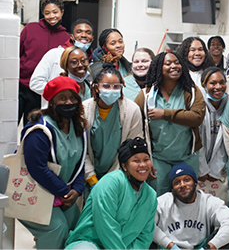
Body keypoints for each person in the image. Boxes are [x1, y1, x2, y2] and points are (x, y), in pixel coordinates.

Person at [20, 76, 87, 249]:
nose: (69, 102)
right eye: (62, 98)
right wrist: (65, 191)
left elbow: (80, 161)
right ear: (52, 102)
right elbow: (37, 169)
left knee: (77, 223)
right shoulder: (40, 129)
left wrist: (77, 190)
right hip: (37, 190)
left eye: (73, 98)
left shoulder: (77, 126)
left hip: (62, 192)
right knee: (57, 228)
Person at [65, 137, 157, 249]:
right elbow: (106, 225)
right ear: (124, 166)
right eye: (136, 160)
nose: (143, 165)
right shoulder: (111, 182)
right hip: (89, 243)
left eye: (146, 159)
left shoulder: (151, 196)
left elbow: (144, 237)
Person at [134, 52, 205, 196]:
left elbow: (197, 117)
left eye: (177, 62)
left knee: (186, 198)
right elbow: (135, 124)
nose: (174, 66)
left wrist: (165, 114)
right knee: (158, 200)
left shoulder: (191, 91)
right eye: (168, 63)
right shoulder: (146, 95)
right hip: (159, 159)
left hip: (187, 157)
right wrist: (146, 159)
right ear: (158, 68)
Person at [83, 63, 143, 189]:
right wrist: (92, 179)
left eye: (116, 87)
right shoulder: (84, 110)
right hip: (87, 175)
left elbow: (131, 148)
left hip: (119, 173)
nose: (111, 90)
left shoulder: (132, 110)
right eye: (106, 86)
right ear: (96, 87)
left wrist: (112, 178)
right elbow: (81, 150)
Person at [153, 163, 229, 249]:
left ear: (195, 182)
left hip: (200, 247)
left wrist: (210, 247)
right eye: (177, 182)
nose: (183, 185)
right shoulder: (162, 202)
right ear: (172, 188)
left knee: (225, 237)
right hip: (170, 247)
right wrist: (170, 245)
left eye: (187, 180)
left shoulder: (208, 201)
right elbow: (147, 225)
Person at [19, 0, 70, 125]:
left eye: (55, 12)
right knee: (9, 126)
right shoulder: (30, 29)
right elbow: (17, 53)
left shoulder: (66, 37)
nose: (51, 16)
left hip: (42, 92)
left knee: (32, 128)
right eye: (47, 13)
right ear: (43, 14)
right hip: (22, 87)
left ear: (62, 12)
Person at [30, 19, 95, 109]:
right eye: (79, 32)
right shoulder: (54, 54)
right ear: (72, 36)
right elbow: (35, 83)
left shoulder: (92, 60)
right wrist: (60, 92)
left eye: (88, 32)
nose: (83, 35)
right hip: (55, 112)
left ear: (92, 38)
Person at [197, 67, 229, 206]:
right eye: (213, 83)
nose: (218, 87)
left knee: (221, 206)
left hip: (220, 168)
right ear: (204, 85)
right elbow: (197, 141)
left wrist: (214, 170)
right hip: (199, 167)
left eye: (222, 82)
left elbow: (226, 141)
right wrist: (202, 169)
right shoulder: (198, 103)